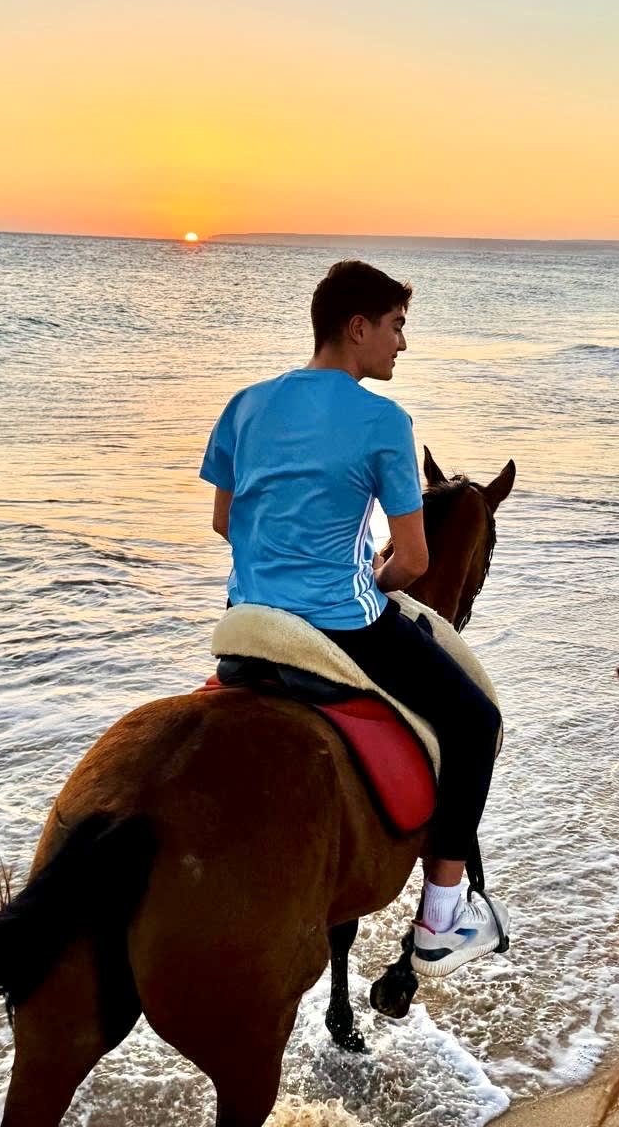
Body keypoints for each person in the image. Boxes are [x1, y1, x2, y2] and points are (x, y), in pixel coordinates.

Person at [200, 259, 508, 977]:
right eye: (397, 327)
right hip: (339, 624)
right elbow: (412, 560)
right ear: (357, 326)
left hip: (245, 622)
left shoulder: (244, 403)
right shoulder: (383, 420)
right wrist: (369, 575)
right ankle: (442, 918)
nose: (403, 344)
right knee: (473, 721)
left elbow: (224, 522)